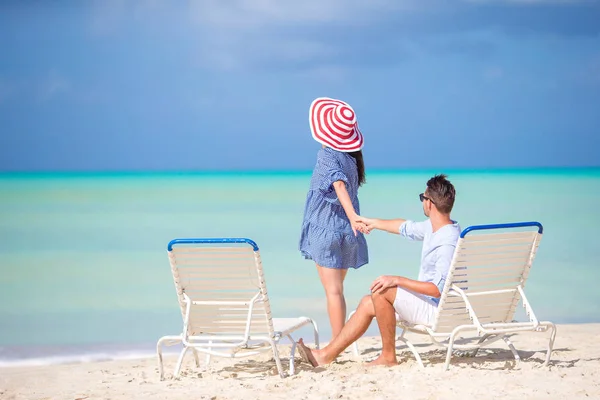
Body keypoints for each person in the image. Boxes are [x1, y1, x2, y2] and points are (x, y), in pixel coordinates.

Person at [298, 174, 460, 367]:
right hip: (435, 305)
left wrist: (397, 280)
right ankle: (324, 355)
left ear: (429, 204)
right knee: (368, 302)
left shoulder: (446, 242)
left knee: (384, 289)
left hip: (439, 311)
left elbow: (437, 289)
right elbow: (404, 227)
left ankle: (388, 357)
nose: (422, 202)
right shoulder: (438, 228)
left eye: (422, 198)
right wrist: (372, 223)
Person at [299, 97, 369, 339]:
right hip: (346, 232)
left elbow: (337, 184)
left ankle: (337, 344)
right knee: (338, 290)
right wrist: (353, 220)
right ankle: (340, 341)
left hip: (327, 229)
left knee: (333, 291)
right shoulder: (352, 159)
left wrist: (353, 215)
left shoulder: (327, 156)